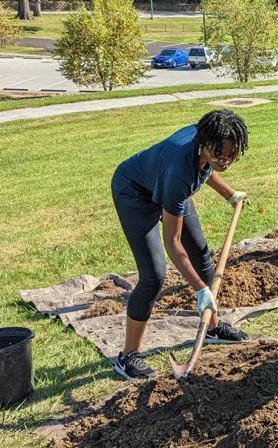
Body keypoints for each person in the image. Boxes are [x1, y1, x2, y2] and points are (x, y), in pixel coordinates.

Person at [110, 109, 250, 380]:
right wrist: (200, 290)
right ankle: (128, 356)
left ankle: (211, 327)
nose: (225, 162)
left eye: (232, 156)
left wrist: (230, 195)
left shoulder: (207, 143)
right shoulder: (179, 172)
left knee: (201, 254)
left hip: (170, 184)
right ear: (203, 144)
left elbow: (207, 169)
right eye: (220, 155)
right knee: (154, 275)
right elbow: (173, 243)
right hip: (135, 193)